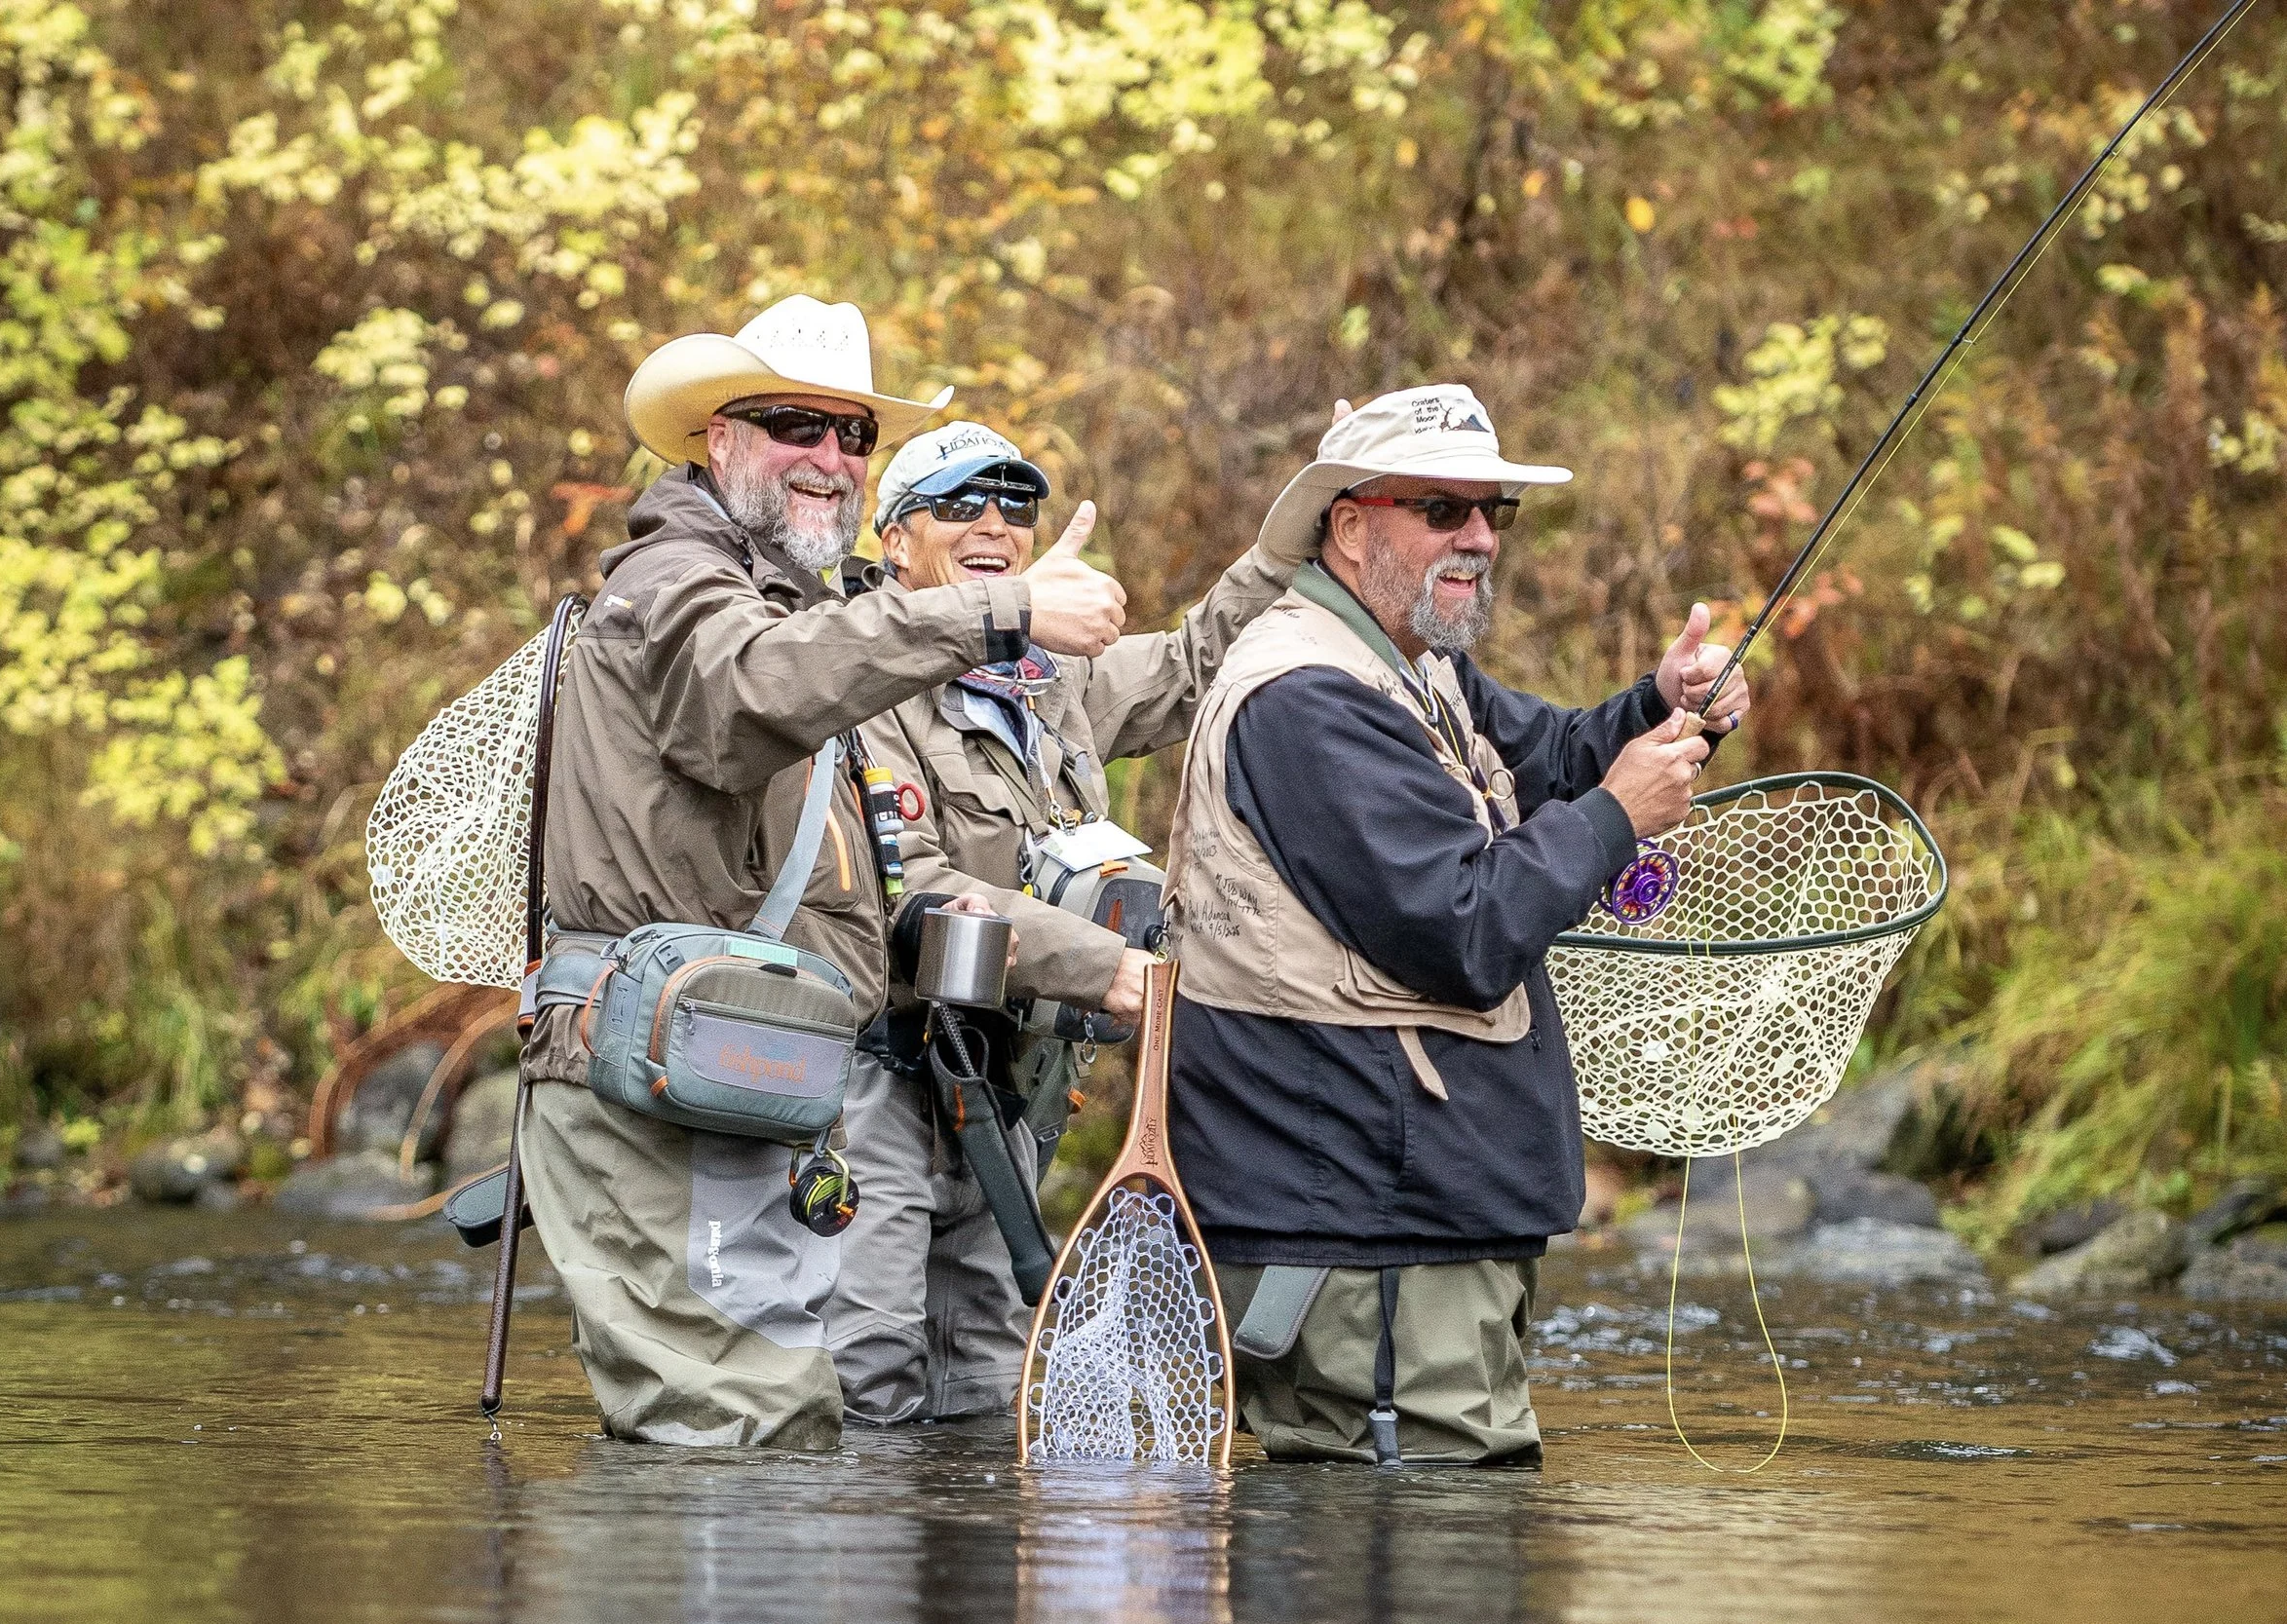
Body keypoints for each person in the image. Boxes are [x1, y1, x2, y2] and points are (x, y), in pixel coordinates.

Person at [515, 296, 1126, 1449]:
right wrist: (996, 608)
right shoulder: (674, 575)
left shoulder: (794, 603)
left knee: (786, 1433)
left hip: (752, 1083)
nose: (830, 457)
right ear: (718, 439)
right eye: (796, 424)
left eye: (854, 434)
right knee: (740, 1438)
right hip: (658, 1082)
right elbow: (745, 697)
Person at [1161, 384, 1752, 1465]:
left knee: (1453, 1519)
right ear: (1350, 526)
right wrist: (1619, 813)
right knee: (1428, 1522)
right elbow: (1463, 927)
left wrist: (1658, 705)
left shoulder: (1411, 661)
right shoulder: (1307, 700)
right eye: (1441, 509)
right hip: (1360, 1231)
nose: (1478, 536)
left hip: (1406, 1221)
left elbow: (1547, 759)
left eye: (1493, 511)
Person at [824, 420, 1307, 1424]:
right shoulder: (857, 676)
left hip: (1007, 1090)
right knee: (866, 1376)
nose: (994, 522)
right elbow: (910, 888)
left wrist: (1294, 533)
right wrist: (1104, 965)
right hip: (879, 1077)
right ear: (894, 540)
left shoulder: (1055, 677)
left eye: (1015, 504)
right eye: (958, 503)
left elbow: (1197, 662)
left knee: (986, 1390)